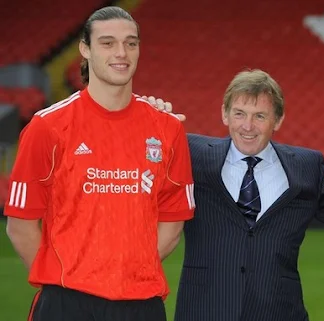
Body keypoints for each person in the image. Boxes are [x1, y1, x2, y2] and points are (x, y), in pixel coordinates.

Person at [4, 6, 194, 321]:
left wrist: (126, 272)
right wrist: (66, 278)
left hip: (140, 302)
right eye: (107, 43)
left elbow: (172, 223)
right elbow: (21, 226)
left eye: (131, 43)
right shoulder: (47, 126)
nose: (122, 52)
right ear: (85, 49)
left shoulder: (168, 129)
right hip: (66, 301)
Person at [147, 68, 324, 321]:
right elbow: (135, 166)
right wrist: (145, 114)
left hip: (279, 312)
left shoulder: (306, 167)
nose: (248, 126)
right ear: (225, 114)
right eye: (239, 114)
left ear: (278, 120)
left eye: (260, 116)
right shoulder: (192, 154)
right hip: (205, 311)